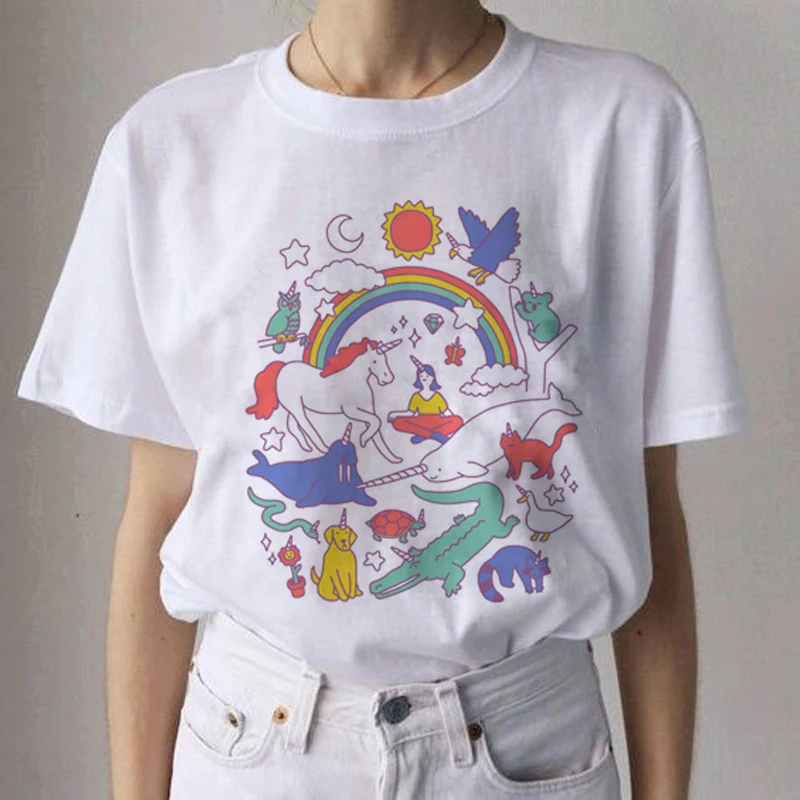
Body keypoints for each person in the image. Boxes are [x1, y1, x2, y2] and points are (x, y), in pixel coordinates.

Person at [16, 0, 752, 798]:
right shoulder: (172, 142)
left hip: (529, 751)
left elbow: (647, 510)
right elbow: (159, 512)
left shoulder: (625, 124)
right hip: (255, 749)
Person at [388, 355, 463, 444]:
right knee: (397, 422)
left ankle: (423, 434)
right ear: (418, 378)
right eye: (421, 376)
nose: (424, 378)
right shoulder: (416, 396)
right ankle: (433, 435)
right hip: (420, 421)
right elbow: (410, 413)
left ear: (432, 378)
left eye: (427, 376)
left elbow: (446, 412)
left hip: (437, 421)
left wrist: (455, 420)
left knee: (458, 420)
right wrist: (395, 414)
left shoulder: (437, 396)